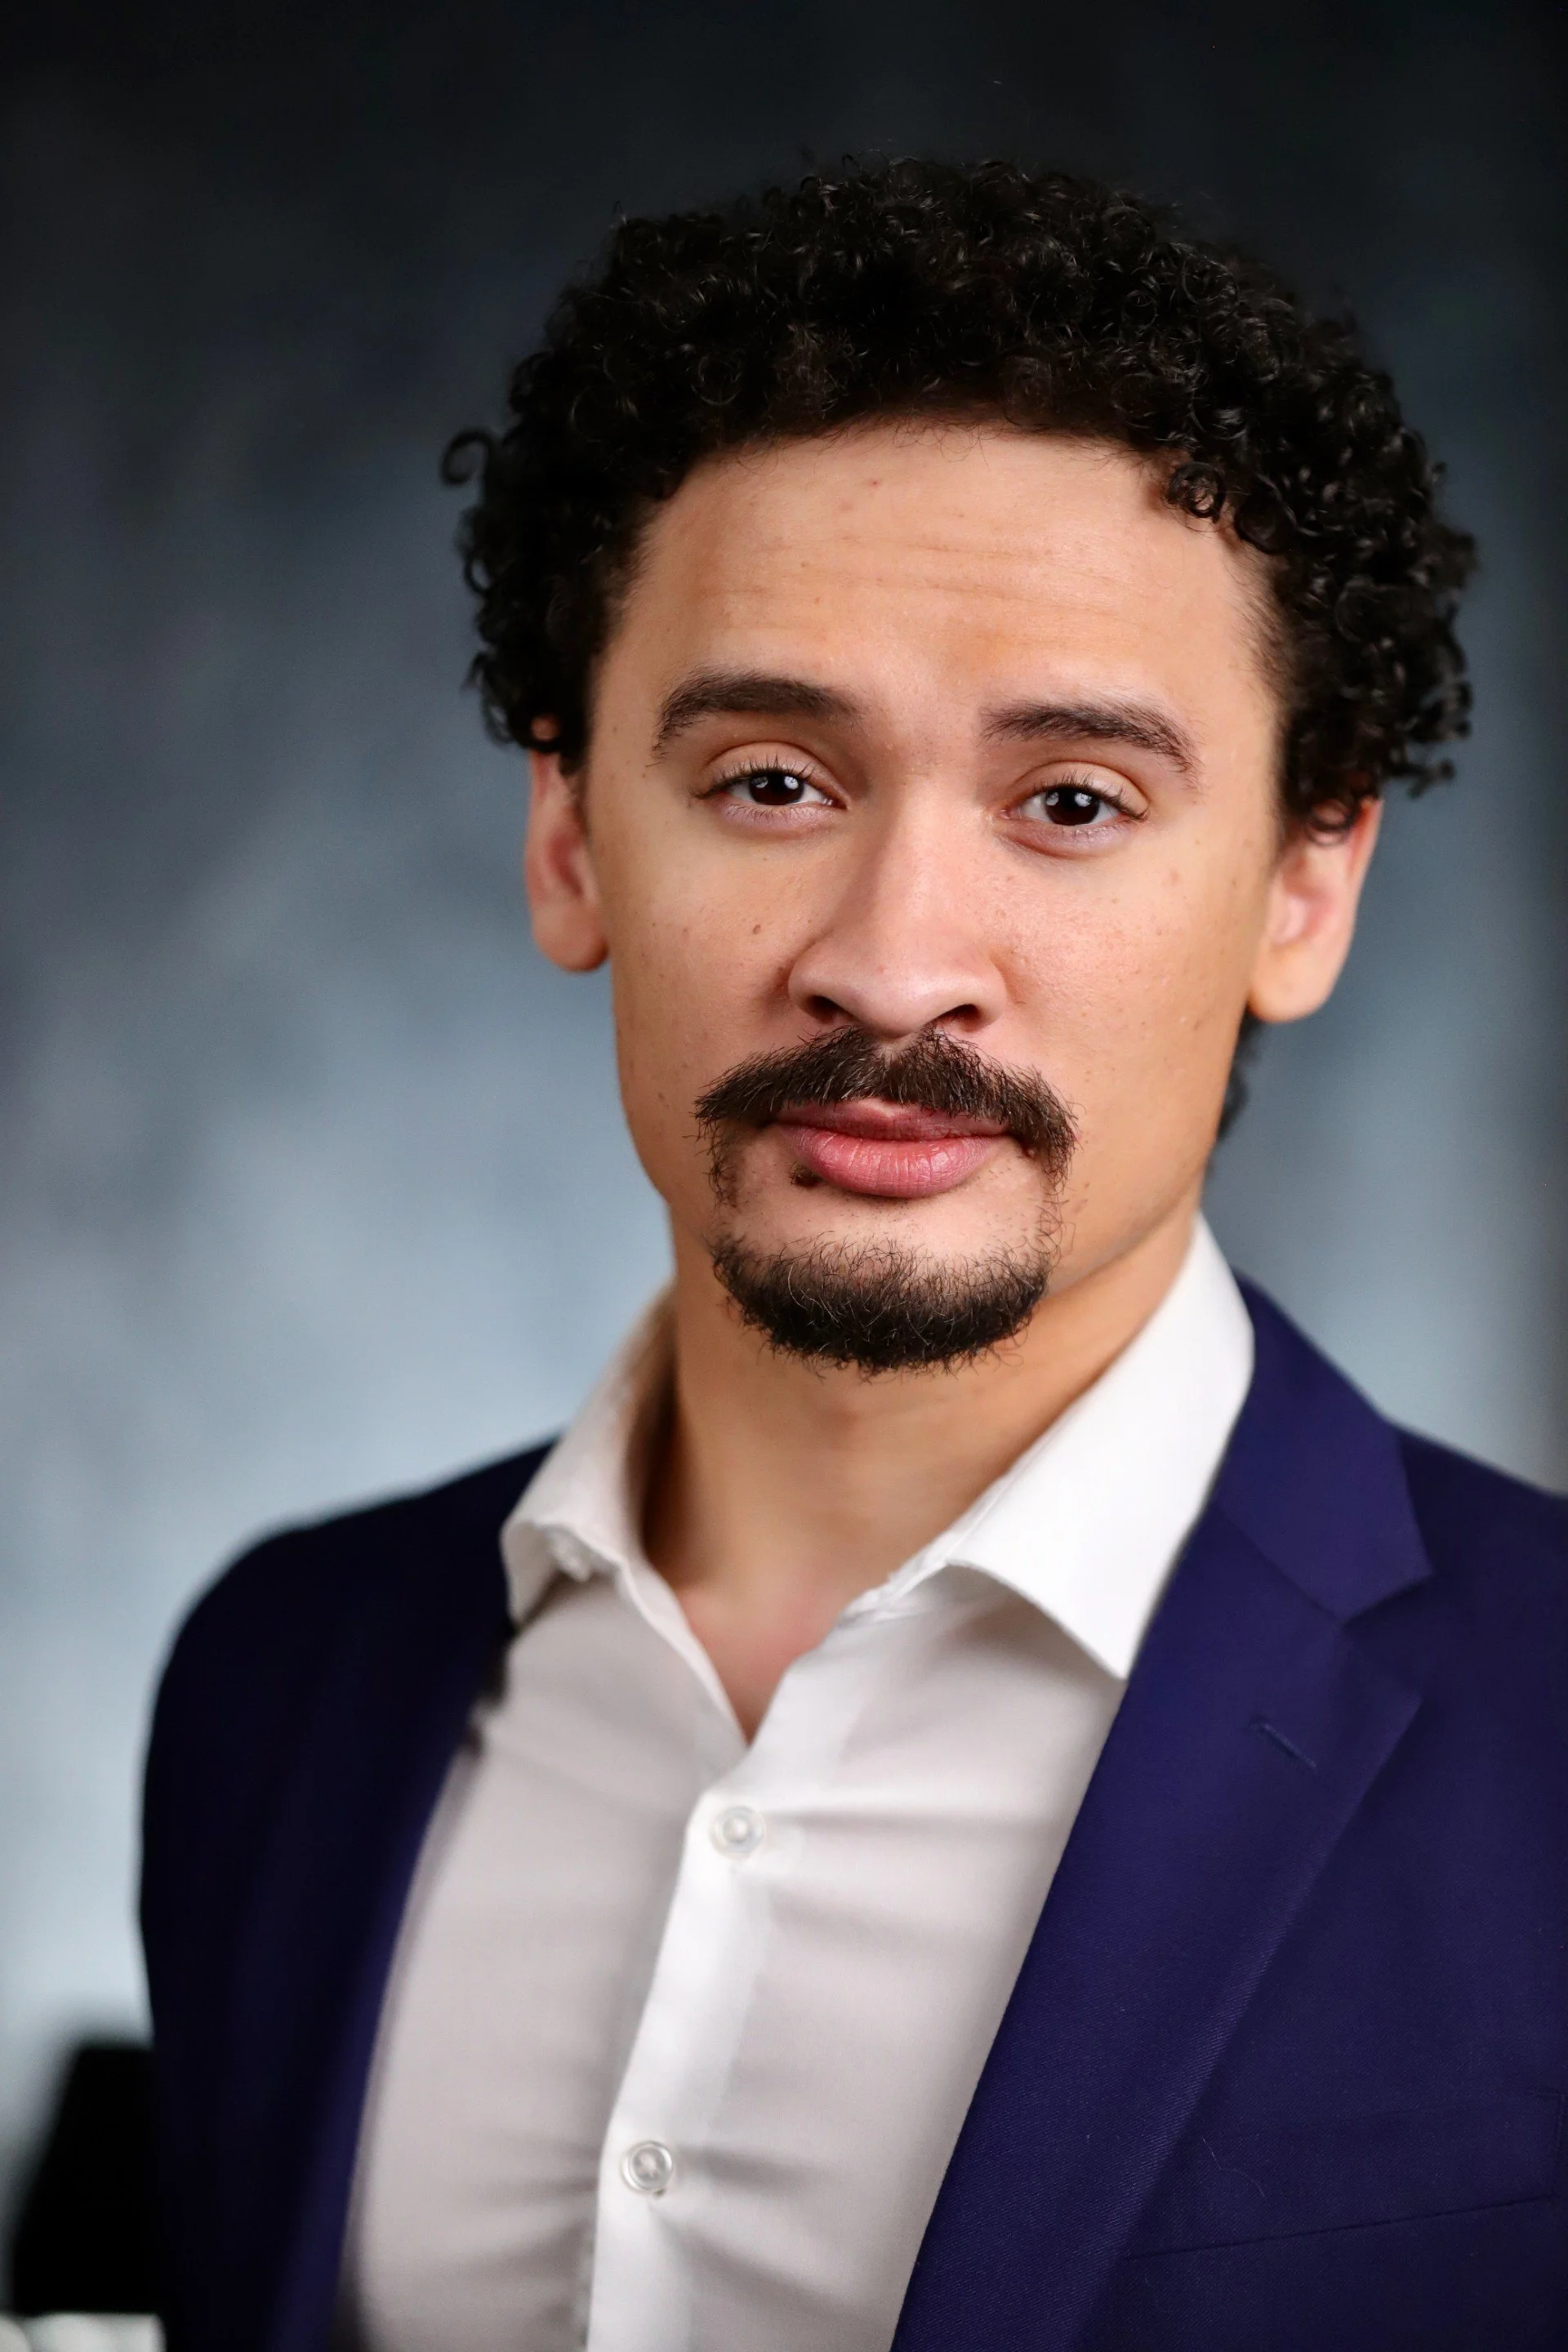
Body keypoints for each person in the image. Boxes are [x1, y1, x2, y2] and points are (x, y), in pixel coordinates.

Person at [140, 160, 1568, 2352]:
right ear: (568, 836)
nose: (894, 967)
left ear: (1305, 887)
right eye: (774, 781)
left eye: (1073, 801)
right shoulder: (279, 1682)